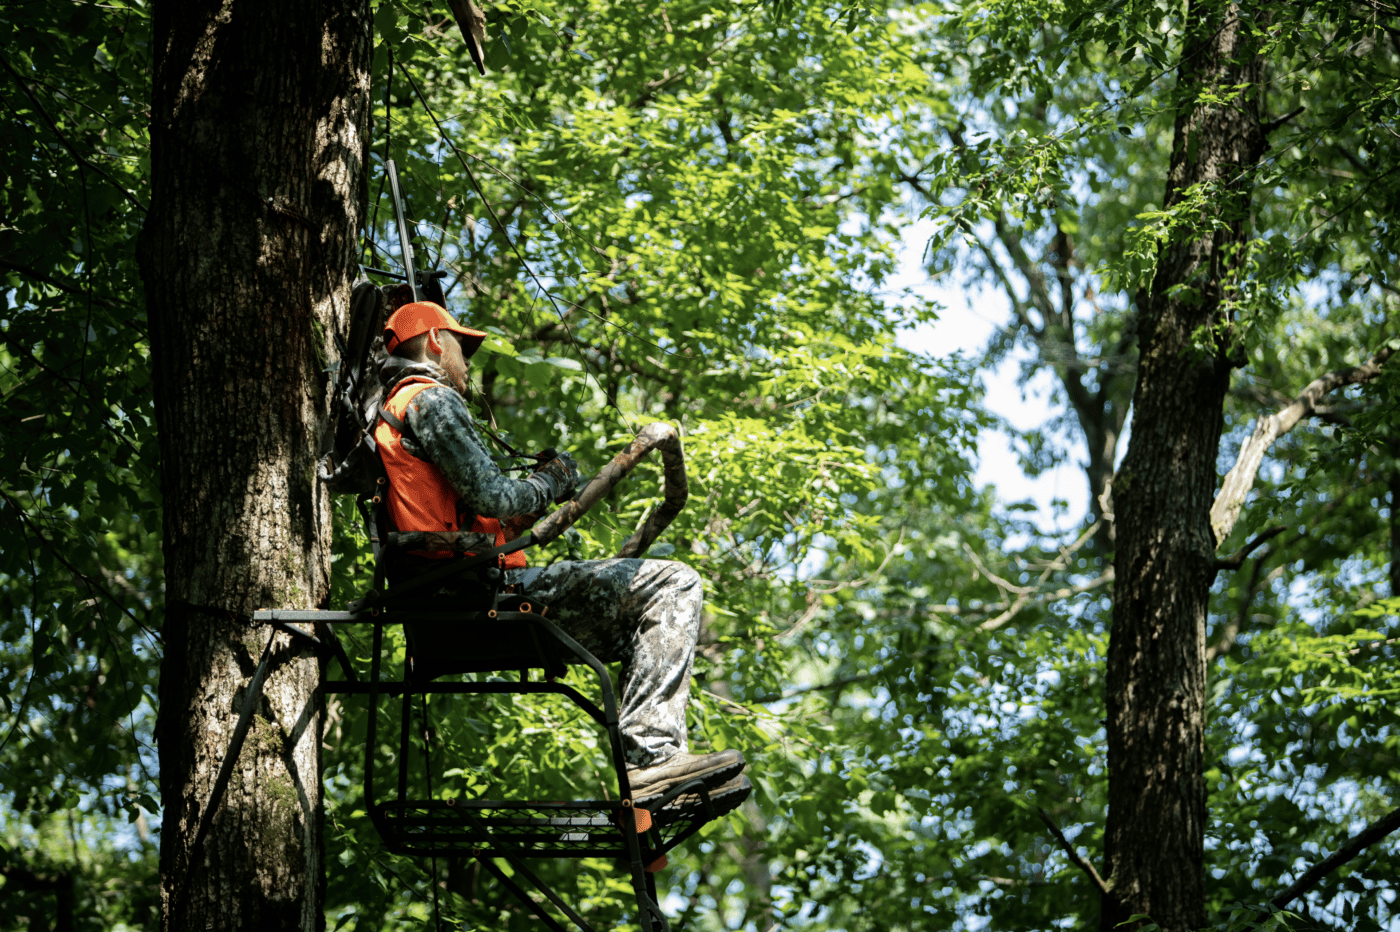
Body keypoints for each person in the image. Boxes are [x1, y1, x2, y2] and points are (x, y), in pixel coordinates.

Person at [372, 299, 750, 819]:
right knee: (672, 583)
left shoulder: (405, 409)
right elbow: (495, 499)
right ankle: (652, 760)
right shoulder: (429, 400)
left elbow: (478, 516)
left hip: (464, 587)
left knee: (641, 624)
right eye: (463, 348)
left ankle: (657, 782)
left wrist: (528, 507)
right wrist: (549, 483)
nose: (467, 364)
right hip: (474, 594)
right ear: (436, 343)